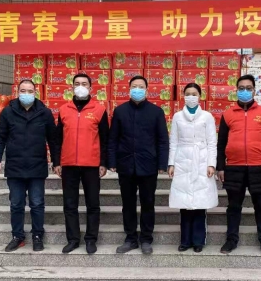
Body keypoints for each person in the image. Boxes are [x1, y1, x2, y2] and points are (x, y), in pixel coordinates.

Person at [0, 79, 57, 253]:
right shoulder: (8, 112)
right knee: (16, 204)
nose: (26, 94)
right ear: (17, 92)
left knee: (37, 203)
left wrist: (56, 161)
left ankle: (37, 235)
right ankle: (17, 236)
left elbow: (53, 139)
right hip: (15, 166)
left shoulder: (44, 112)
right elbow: (0, 138)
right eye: (23, 90)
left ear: (35, 93)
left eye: (30, 91)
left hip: (37, 166)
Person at [217, 75, 261, 256]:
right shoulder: (228, 114)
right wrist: (220, 167)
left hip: (259, 166)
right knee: (233, 206)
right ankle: (231, 240)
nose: (245, 91)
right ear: (236, 90)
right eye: (241, 88)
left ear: (254, 90)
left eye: (249, 88)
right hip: (233, 167)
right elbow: (221, 143)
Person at [108, 75, 169, 255]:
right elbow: (113, 139)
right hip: (125, 164)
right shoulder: (120, 111)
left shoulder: (156, 112)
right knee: (128, 203)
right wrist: (112, 161)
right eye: (134, 86)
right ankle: (130, 238)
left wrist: (162, 163)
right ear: (129, 89)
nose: (137, 89)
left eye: (141, 87)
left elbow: (162, 140)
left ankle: (146, 238)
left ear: (146, 90)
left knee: (148, 202)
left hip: (148, 165)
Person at [54, 73, 109, 255]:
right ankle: (73, 239)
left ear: (91, 88)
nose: (80, 86)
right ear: (72, 87)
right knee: (70, 204)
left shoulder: (99, 109)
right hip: (68, 164)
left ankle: (91, 239)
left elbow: (105, 139)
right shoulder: (64, 110)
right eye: (77, 83)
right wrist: (57, 161)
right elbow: (58, 139)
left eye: (84, 84)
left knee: (93, 204)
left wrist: (103, 162)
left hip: (91, 164)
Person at [168, 83, 218, 253]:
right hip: (182, 160)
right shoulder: (177, 117)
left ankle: (198, 240)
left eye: (194, 94)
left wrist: (211, 164)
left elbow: (212, 142)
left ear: (200, 96)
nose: (191, 97)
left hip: (201, 161)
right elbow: (173, 141)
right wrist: (171, 163)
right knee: (184, 204)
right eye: (188, 94)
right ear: (184, 96)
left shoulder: (207, 116)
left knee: (199, 204)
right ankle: (185, 240)